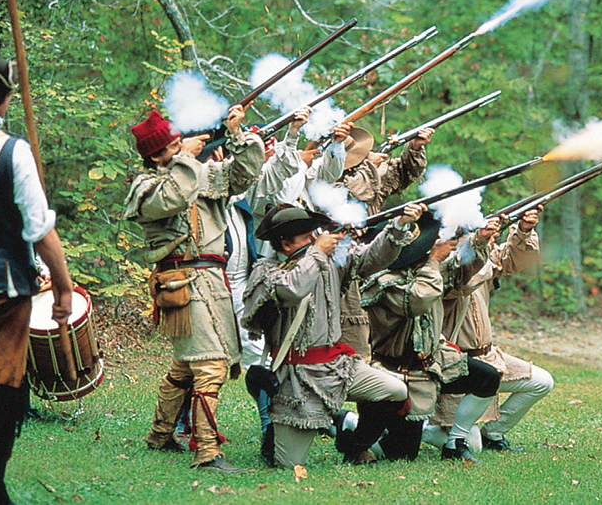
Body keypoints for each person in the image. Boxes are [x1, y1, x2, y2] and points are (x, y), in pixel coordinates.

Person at [123, 104, 264, 473]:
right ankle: (207, 452)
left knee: (186, 366)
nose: (183, 149)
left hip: (210, 280)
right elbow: (174, 196)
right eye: (172, 146)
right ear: (155, 155)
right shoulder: (148, 186)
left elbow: (245, 173)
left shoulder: (196, 172)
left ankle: (160, 434)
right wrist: (185, 158)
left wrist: (237, 135)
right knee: (210, 366)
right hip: (183, 280)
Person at [240, 203, 422, 469]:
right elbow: (294, 289)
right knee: (288, 465)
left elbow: (374, 258)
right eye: (307, 237)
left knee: (394, 390)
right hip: (296, 376)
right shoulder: (267, 271)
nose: (315, 239)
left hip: (335, 366)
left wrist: (398, 225)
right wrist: (317, 252)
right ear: (286, 244)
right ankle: (273, 438)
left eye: (314, 235)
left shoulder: (328, 259)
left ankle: (355, 444)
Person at [223, 107, 351, 463]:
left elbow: (322, 175)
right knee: (261, 355)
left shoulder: (298, 169)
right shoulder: (263, 172)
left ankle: (317, 414)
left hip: (303, 264)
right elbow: (277, 173)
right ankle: (271, 424)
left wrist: (337, 145)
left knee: (281, 351)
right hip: (273, 268)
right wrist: (293, 133)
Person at [0, 56, 73, 504]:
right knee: (2, 382)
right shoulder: (13, 150)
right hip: (3, 290)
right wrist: (65, 287)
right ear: (7, 98)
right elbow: (40, 230)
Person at [359, 213, 502, 464]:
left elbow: (461, 272)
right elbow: (418, 300)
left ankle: (455, 442)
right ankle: (347, 426)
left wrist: (479, 240)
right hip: (400, 373)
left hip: (434, 362)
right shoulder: (384, 281)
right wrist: (434, 260)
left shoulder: (424, 269)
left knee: (487, 378)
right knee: (402, 454)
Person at [426, 207, 553, 453]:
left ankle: (493, 432)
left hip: (488, 357)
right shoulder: (443, 266)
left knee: (541, 382)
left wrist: (524, 230)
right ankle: (417, 432)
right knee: (471, 447)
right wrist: (480, 242)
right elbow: (462, 281)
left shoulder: (484, 256)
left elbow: (516, 261)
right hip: (456, 363)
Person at [336, 126, 433, 361]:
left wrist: (415, 146)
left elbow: (403, 173)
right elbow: (356, 189)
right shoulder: (333, 179)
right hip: (339, 256)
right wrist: (370, 163)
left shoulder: (367, 173)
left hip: (369, 255)